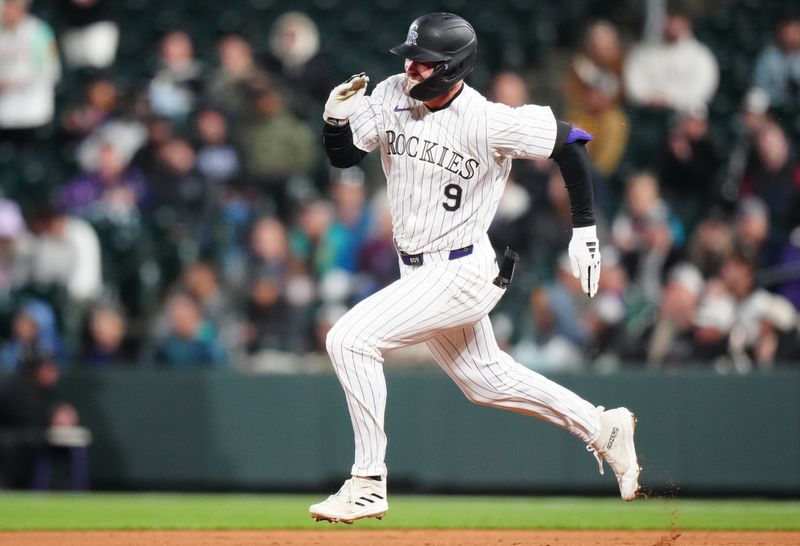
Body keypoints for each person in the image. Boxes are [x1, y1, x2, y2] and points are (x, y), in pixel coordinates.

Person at [308, 12, 641, 524]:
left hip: (461, 270)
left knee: (348, 339)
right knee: (485, 381)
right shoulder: (395, 91)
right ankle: (602, 428)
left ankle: (368, 481)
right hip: (418, 271)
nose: (411, 67)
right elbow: (345, 156)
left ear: (453, 68)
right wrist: (334, 120)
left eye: (424, 62)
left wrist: (586, 229)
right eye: (411, 58)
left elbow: (571, 143)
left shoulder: (487, 120)